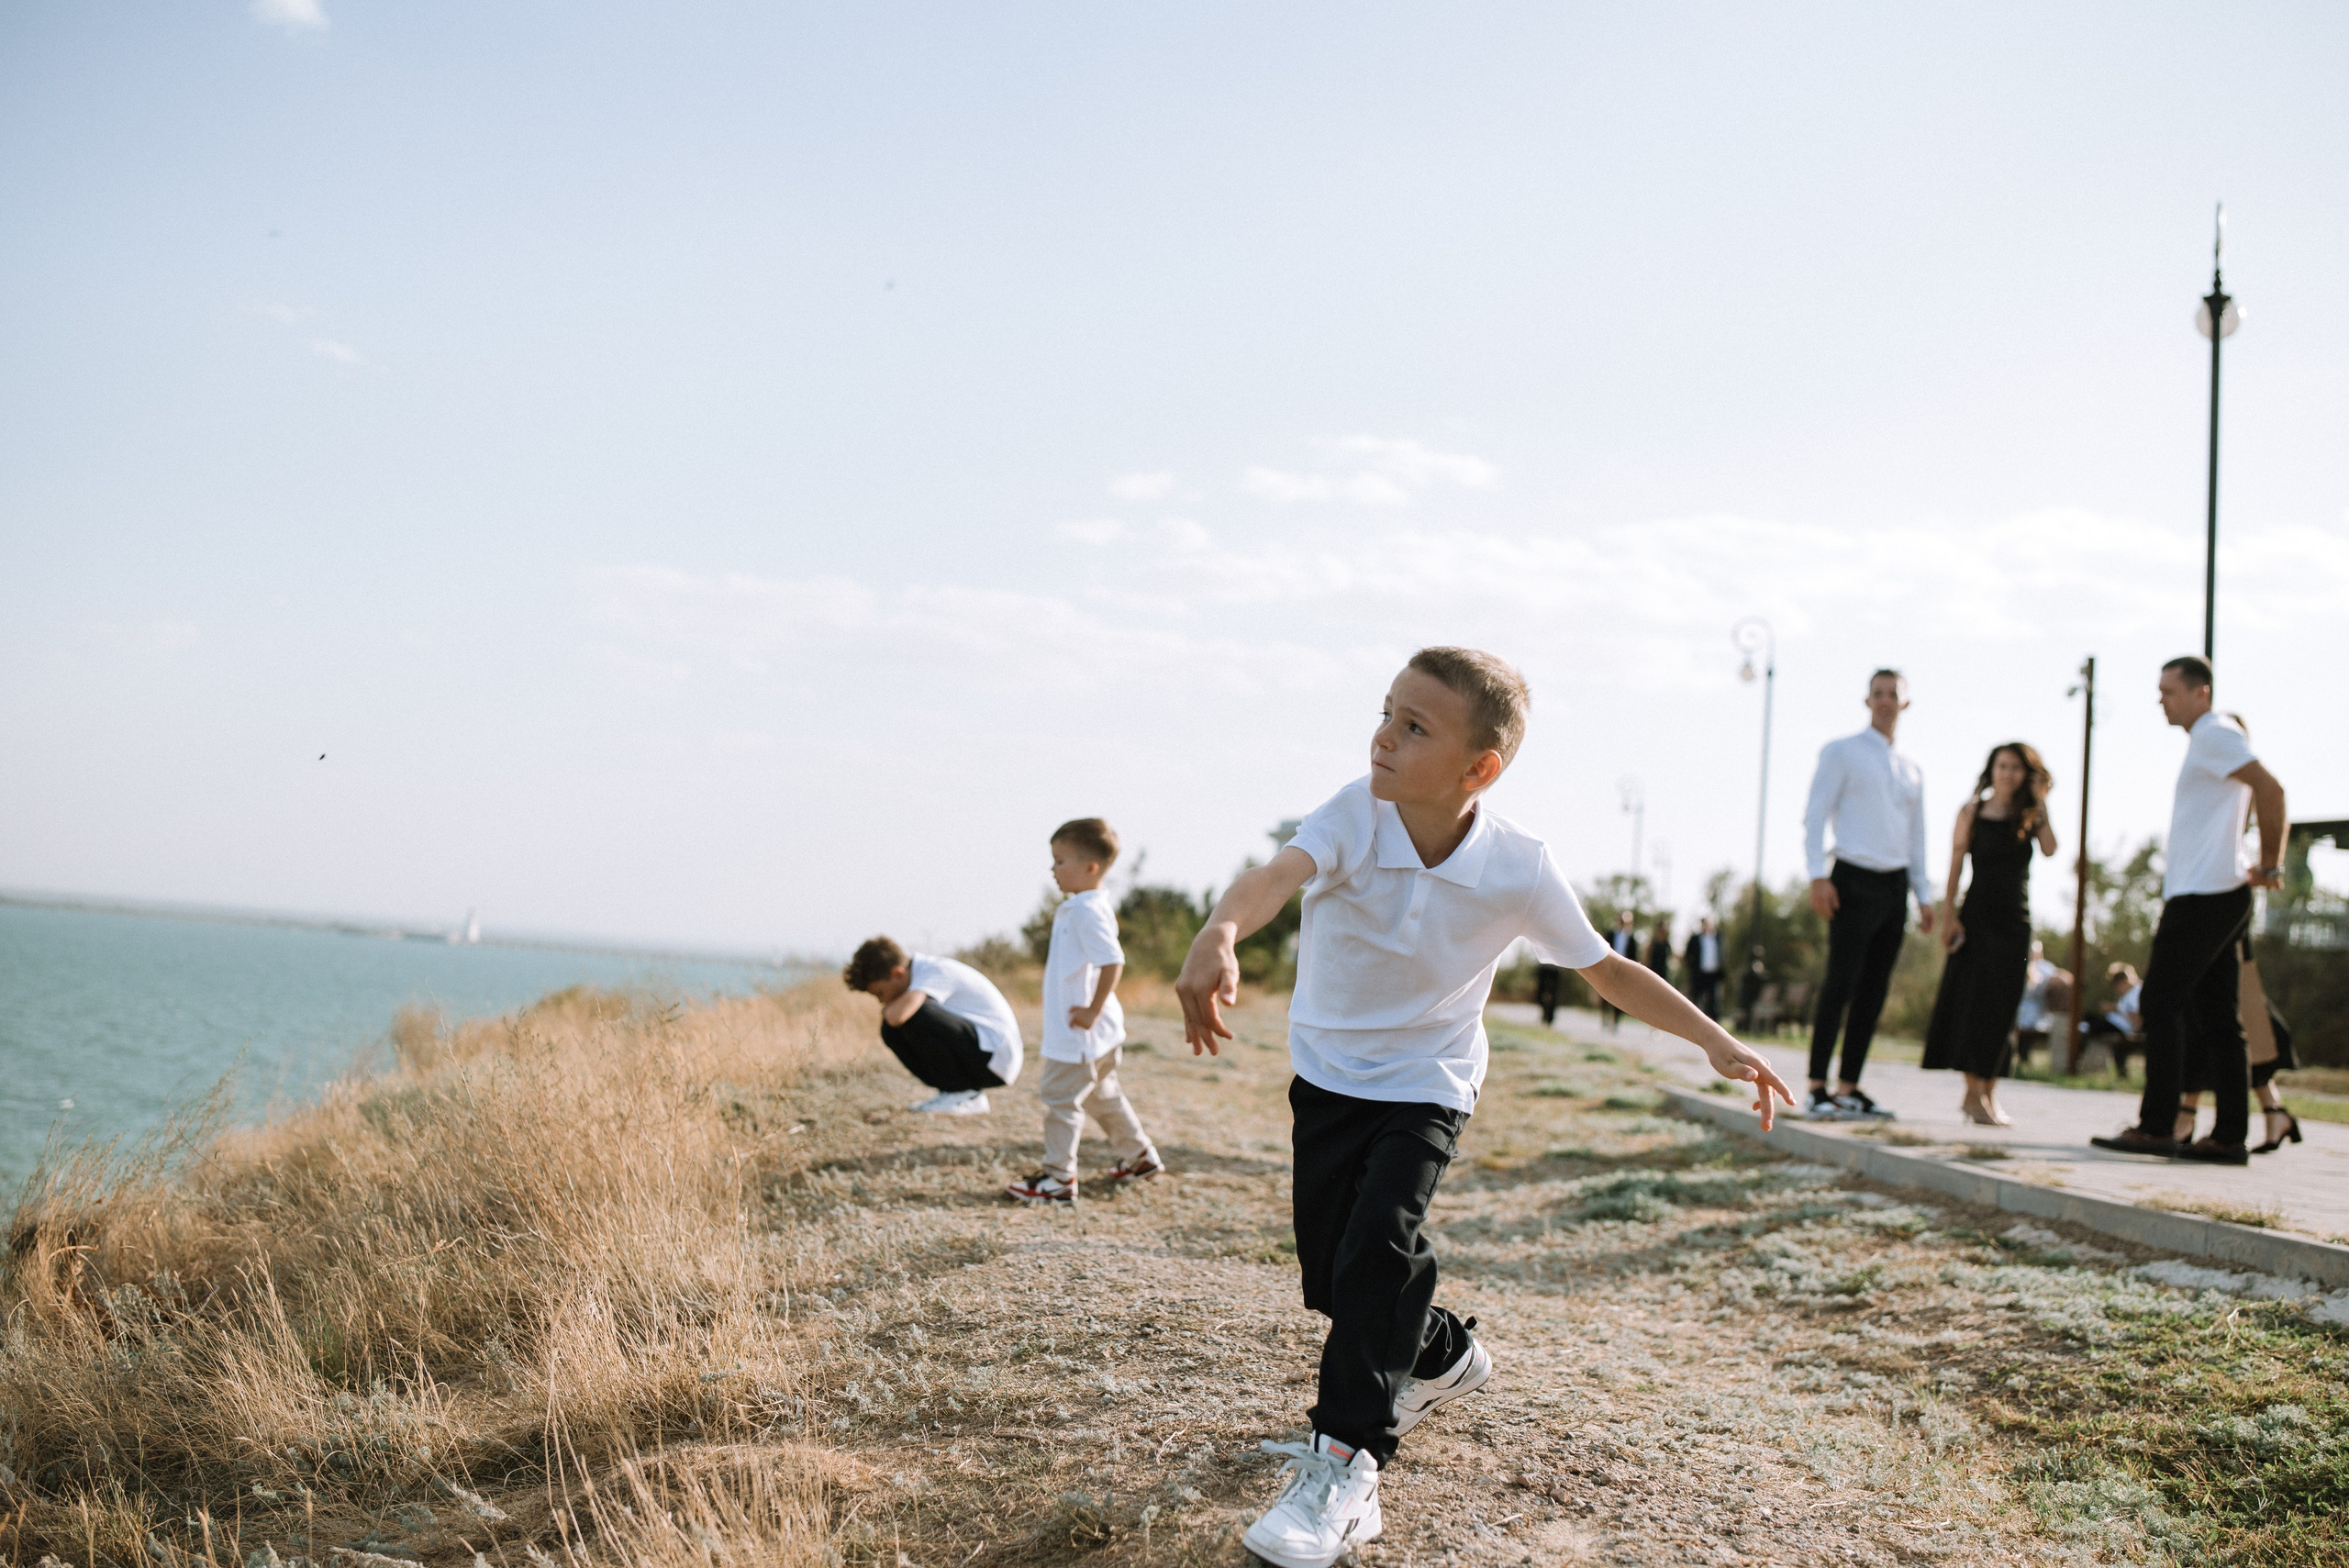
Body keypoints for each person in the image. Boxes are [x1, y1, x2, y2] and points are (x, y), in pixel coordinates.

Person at [1173, 646, 1795, 1568]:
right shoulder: (1354, 812)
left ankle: (1345, 1466)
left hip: (1428, 1079)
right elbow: (1271, 878)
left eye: (1414, 726)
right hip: (1331, 1072)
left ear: (1479, 768)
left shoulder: (1517, 865)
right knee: (1337, 1278)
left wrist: (1713, 1039)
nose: (1383, 737)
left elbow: (1604, 968)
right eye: (1386, 712)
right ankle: (1440, 1353)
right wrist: (1220, 930)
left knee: (1376, 1242)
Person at [2091, 657, 2288, 1164]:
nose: (2161, 700)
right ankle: (2228, 1138)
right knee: (2219, 1017)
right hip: (2215, 890)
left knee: (2159, 1003)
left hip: (2204, 896)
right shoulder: (2209, 738)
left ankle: (2157, 1127)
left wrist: (2271, 864)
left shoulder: (2212, 733)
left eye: (2169, 691)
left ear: (2201, 693)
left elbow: (2272, 789)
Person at [1800, 670, 1936, 1120]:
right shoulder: (1842, 751)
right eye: (1877, 693)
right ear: (1867, 700)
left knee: (1875, 990)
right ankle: (1817, 1087)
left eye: (1893, 694)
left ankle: (1850, 1087)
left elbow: (1917, 836)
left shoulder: (1913, 768)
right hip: (1851, 879)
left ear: (1905, 703)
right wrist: (1818, 875)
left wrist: (1923, 894)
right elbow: (1815, 815)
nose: (1885, 701)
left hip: (1895, 886)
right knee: (1840, 982)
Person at [1006, 819, 1164, 1204]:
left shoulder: (1084, 911)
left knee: (1060, 1098)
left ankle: (1059, 1178)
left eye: (1060, 861)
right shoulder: (1083, 907)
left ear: (1091, 867)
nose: (1053, 869)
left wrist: (1092, 1010)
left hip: (1081, 1034)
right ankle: (1140, 1156)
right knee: (1102, 1096)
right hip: (1097, 1033)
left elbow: (1112, 961)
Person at [1921, 743, 2059, 1125]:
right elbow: (1955, 864)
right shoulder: (1972, 812)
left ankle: (1989, 1093)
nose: (2007, 773)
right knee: (1972, 1005)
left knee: (2003, 1010)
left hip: (2016, 922)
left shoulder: (2030, 815)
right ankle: (1972, 1094)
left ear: (2026, 774)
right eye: (2002, 766)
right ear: (1991, 770)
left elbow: (2051, 849)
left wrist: (2041, 801)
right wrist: (1949, 917)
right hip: (1976, 918)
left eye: (2016, 767)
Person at [842, 936, 1023, 1114]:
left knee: (917, 1016)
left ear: (898, 973)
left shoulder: (935, 970)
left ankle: (964, 1094)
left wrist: (889, 1011)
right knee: (892, 1030)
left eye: (880, 993)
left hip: (997, 1059)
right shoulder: (920, 973)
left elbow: (897, 1016)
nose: (881, 1001)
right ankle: (954, 1092)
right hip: (983, 1056)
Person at [2013, 940, 2061, 1062]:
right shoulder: (2018, 964)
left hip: (2038, 1012)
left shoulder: (2046, 968)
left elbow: (2057, 981)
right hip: (2020, 1010)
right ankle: (2020, 1058)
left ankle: (2023, 1058)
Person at [1682, 916, 1726, 1020]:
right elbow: (1687, 956)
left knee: (1714, 1001)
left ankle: (1713, 1023)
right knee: (1696, 999)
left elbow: (1722, 954)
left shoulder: (1718, 938)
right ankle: (1693, 1020)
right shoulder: (1695, 939)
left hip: (1713, 975)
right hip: (1699, 974)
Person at [1601, 910, 1639, 1030]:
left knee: (1619, 996)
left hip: (1623, 969)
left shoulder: (1632, 939)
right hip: (1610, 966)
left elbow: (1634, 956)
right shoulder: (1610, 934)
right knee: (1605, 992)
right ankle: (1605, 1017)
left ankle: (1616, 1021)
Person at [1532, 962, 1564, 1026]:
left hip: (1555, 969)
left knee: (1553, 994)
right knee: (1540, 994)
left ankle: (1550, 1019)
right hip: (1544, 967)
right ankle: (1544, 1015)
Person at [1644, 919, 1675, 984]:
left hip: (1663, 972)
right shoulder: (1653, 943)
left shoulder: (1667, 944)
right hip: (1653, 971)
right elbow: (1647, 957)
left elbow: (1671, 956)